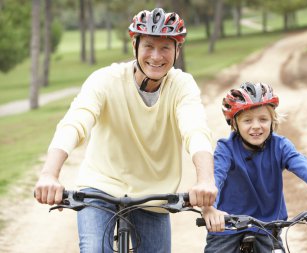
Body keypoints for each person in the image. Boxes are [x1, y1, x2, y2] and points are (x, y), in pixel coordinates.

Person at [34, 8, 217, 253]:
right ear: (135, 45)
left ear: (177, 50)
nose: (156, 56)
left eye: (165, 47)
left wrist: (205, 180)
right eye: (148, 46)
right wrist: (49, 174)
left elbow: (195, 130)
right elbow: (75, 123)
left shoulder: (182, 86)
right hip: (100, 187)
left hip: (154, 195)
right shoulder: (105, 79)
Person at [201, 82, 307, 252]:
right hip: (226, 226)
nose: (256, 126)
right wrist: (209, 207)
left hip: (268, 227)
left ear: (273, 121)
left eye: (263, 119)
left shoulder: (281, 146)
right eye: (247, 120)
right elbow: (215, 178)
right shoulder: (226, 148)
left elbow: (305, 168)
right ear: (235, 124)